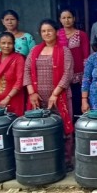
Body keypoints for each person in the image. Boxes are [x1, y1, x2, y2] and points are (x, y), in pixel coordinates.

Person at [25, 19, 75, 167]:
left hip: (60, 97)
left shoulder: (64, 51)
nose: (47, 33)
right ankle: (45, 161)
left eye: (49, 30)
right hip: (38, 98)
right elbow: (27, 70)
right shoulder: (34, 51)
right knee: (40, 128)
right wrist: (31, 93)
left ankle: (65, 161)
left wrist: (55, 93)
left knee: (64, 129)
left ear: (56, 32)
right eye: (43, 31)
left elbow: (68, 73)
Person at [57, 9, 90, 120]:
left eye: (69, 17)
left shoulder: (81, 35)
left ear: (74, 19)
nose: (67, 20)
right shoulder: (57, 35)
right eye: (64, 18)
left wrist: (85, 76)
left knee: (77, 102)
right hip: (61, 76)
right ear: (60, 20)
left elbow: (86, 56)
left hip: (78, 76)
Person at [0, 31, 26, 116]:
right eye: (3, 43)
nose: (6, 46)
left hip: (13, 99)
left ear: (14, 44)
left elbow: (20, 81)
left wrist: (8, 97)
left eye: (10, 43)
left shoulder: (18, 58)